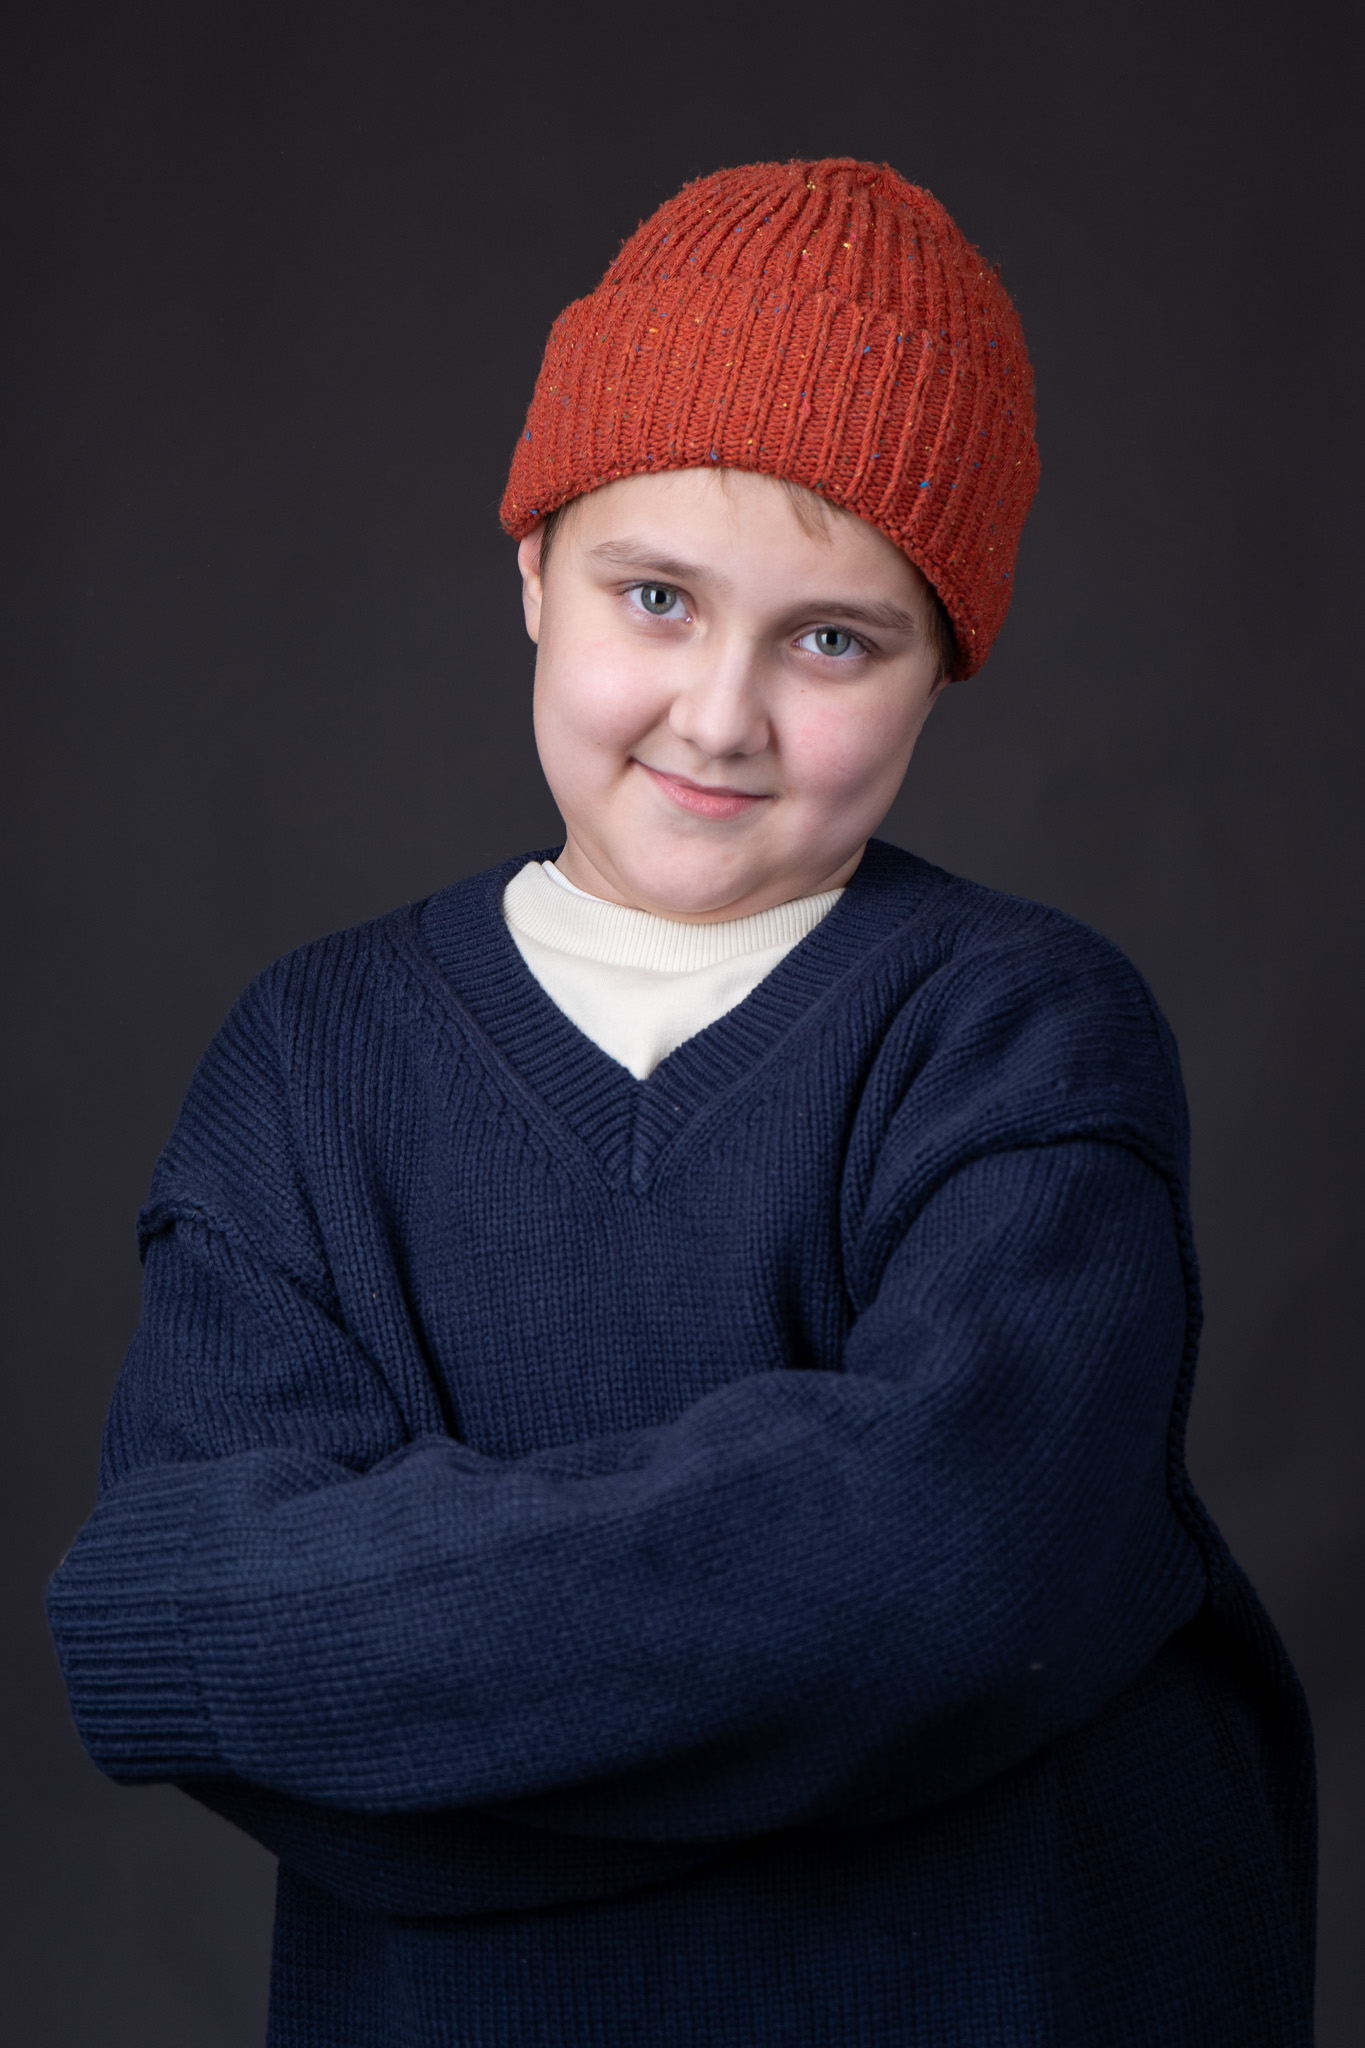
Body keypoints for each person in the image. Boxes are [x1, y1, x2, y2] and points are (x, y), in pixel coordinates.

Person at [47, 158, 1315, 2046]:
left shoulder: (1024, 1029)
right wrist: (788, 1685)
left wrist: (401, 1703)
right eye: (656, 597)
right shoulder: (309, 1060)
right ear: (531, 570)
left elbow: (954, 1569)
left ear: (940, 671)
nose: (720, 716)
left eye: (832, 639)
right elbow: (172, 1612)